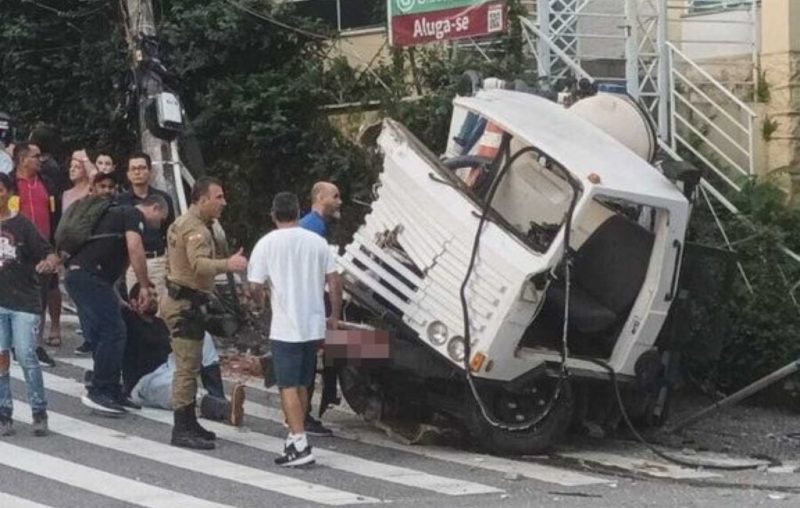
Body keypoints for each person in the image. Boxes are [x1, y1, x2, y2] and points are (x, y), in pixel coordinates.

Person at [248, 192, 343, 467]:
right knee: (303, 382)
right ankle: (294, 436)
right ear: (299, 213)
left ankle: (300, 443)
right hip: (313, 326)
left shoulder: (266, 243)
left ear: (273, 215)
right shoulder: (317, 242)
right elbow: (335, 282)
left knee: (287, 385)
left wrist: (259, 301)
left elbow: (255, 285)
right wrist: (334, 316)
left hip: (286, 327)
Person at [161, 177, 247, 450]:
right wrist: (228, 264)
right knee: (186, 369)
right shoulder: (195, 229)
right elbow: (198, 265)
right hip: (184, 306)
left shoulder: (183, 223)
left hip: (185, 301)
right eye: (218, 197)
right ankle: (181, 428)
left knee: (193, 363)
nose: (223, 202)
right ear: (201, 199)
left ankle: (189, 421)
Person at [65, 193, 168, 414]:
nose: (158, 225)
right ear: (155, 208)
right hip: (88, 277)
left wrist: (117, 298)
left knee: (109, 330)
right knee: (112, 331)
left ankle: (112, 389)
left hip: (86, 277)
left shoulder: (116, 216)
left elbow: (109, 260)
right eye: (161, 219)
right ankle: (100, 389)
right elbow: (135, 248)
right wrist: (143, 285)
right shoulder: (133, 214)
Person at [125, 281, 243, 426]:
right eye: (148, 296)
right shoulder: (129, 322)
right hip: (146, 382)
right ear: (134, 302)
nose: (154, 299)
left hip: (168, 367)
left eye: (155, 295)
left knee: (201, 336)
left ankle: (217, 395)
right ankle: (226, 410)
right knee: (180, 391)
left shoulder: (160, 323)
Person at [0, 172, 60, 436]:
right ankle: (4, 413)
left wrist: (48, 263)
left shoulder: (23, 225)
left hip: (24, 302)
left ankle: (39, 410)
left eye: (0, 190)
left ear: (10, 193)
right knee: (1, 358)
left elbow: (49, 252)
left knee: (26, 355)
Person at [297, 181, 342, 437]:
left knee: (306, 360)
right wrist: (334, 313)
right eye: (335, 196)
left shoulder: (309, 225)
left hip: (300, 305)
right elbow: (331, 277)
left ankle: (302, 413)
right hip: (310, 305)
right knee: (307, 362)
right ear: (320, 197)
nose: (339, 202)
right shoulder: (314, 228)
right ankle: (301, 417)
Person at [9, 143, 60, 365]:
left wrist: (55, 248)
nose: (41, 160)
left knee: (40, 299)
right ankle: (12, 343)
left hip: (43, 250)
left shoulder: (47, 183)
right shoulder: (8, 184)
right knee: (13, 297)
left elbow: (56, 215)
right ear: (22, 160)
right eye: (36, 156)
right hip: (14, 251)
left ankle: (36, 345)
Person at [117, 153, 175, 297]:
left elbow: (171, 232)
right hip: (132, 265)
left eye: (142, 168)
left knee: (161, 305)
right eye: (133, 169)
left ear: (150, 171)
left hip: (159, 261)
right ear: (128, 174)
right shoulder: (120, 201)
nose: (137, 172)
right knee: (137, 305)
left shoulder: (163, 199)